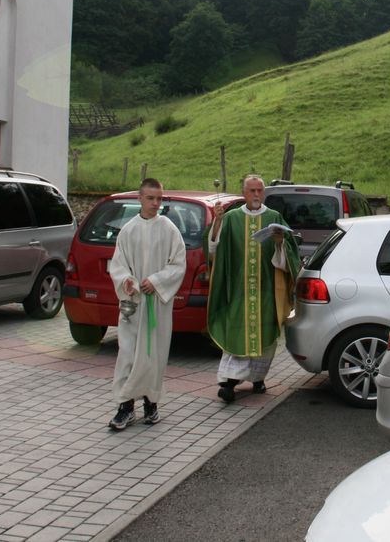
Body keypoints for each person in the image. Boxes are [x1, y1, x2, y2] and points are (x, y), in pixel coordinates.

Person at [207, 175, 300, 403]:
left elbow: (290, 254)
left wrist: (280, 242)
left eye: (260, 190)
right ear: (244, 193)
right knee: (236, 334)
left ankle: (258, 378)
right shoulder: (231, 218)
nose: (257, 194)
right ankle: (228, 383)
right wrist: (217, 222)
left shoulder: (274, 217)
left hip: (267, 290)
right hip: (238, 290)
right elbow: (214, 249)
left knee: (264, 336)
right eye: (252, 191)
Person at [107, 178, 187, 430]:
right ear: (139, 198)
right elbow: (118, 265)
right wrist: (127, 282)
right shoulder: (128, 230)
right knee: (128, 354)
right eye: (150, 198)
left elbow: (178, 264)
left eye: (159, 199)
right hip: (133, 305)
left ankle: (151, 404)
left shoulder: (169, 229)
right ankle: (125, 406)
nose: (155, 203)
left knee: (154, 354)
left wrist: (156, 281)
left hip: (157, 306)